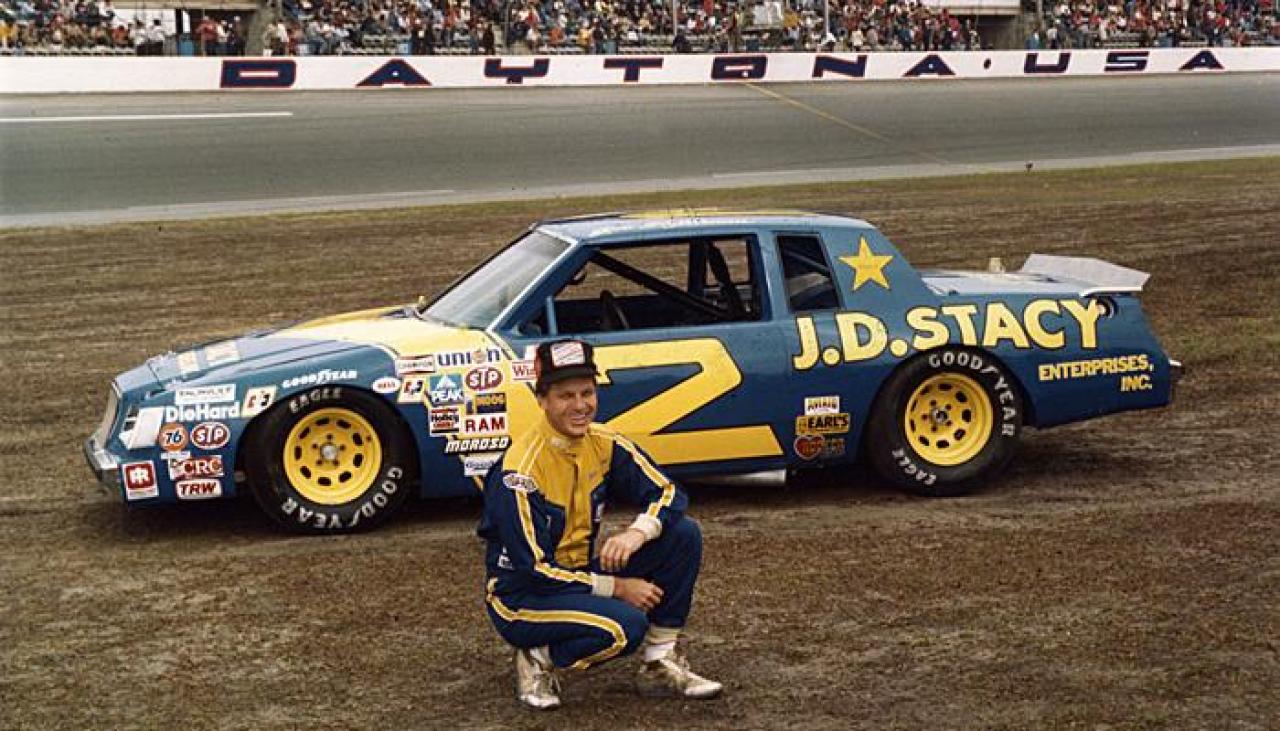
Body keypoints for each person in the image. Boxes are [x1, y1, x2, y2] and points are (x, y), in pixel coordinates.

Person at [477, 339, 722, 711]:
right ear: (542, 400)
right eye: (565, 396)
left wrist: (638, 531)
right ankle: (537, 656)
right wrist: (618, 587)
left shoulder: (604, 442)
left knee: (682, 535)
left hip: (577, 578)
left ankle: (659, 662)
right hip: (522, 597)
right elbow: (535, 570)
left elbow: (669, 492)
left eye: (587, 393)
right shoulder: (519, 472)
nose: (580, 406)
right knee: (624, 629)